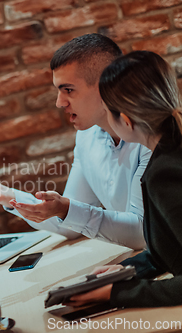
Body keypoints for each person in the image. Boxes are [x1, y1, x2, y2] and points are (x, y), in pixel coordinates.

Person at [0, 34, 150, 250]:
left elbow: (144, 233)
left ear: (107, 84)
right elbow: (70, 225)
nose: (59, 103)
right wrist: (7, 196)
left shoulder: (149, 136)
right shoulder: (86, 136)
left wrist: (66, 210)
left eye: (69, 90)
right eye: (58, 91)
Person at [67, 51, 182, 307]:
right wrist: (129, 269)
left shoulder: (165, 173)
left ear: (126, 121)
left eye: (108, 112)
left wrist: (116, 295)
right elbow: (174, 247)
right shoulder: (167, 154)